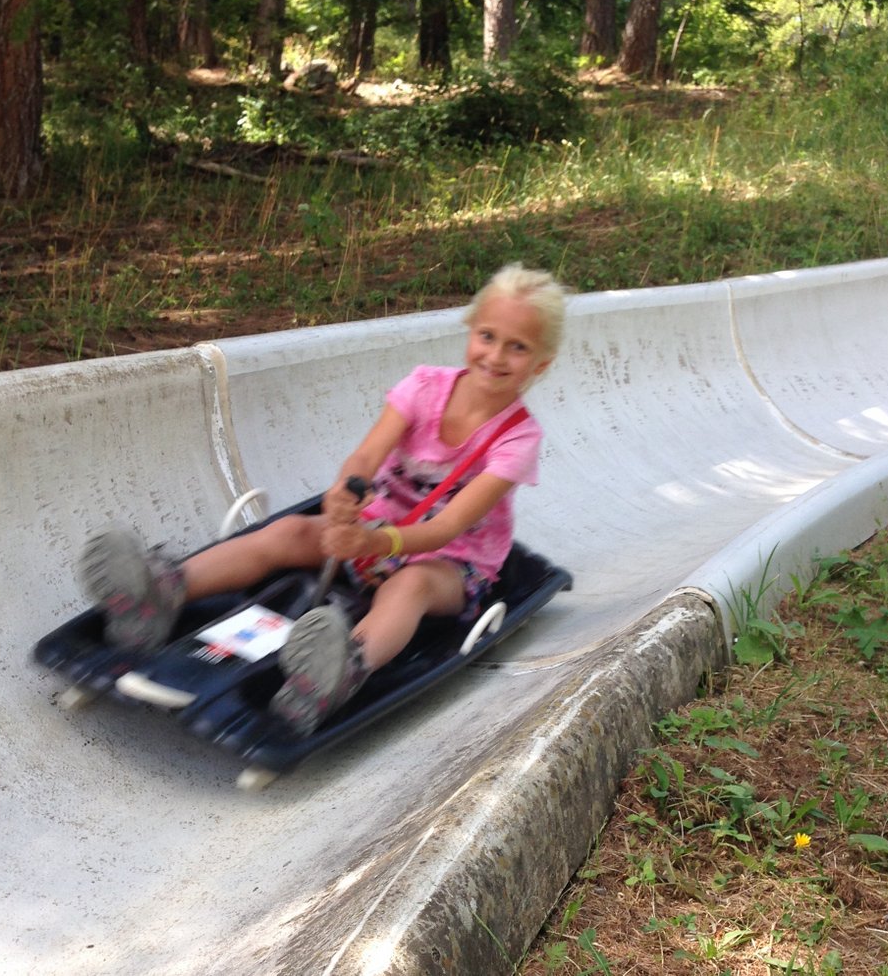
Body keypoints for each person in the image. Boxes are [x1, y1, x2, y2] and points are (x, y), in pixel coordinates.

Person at [78, 263, 566, 736]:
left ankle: (339, 669)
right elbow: (366, 456)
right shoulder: (425, 388)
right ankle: (161, 592)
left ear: (540, 364)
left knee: (409, 587)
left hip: (451, 562)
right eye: (487, 336)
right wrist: (344, 494)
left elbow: (447, 527)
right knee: (290, 532)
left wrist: (375, 544)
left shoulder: (517, 440)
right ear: (471, 330)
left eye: (517, 347)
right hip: (376, 526)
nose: (495, 356)